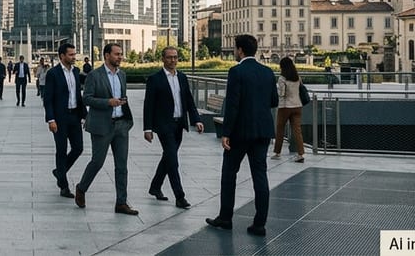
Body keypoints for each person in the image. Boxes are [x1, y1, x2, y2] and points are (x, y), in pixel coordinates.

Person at [206, 34, 279, 236]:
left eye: (235, 49)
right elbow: (274, 101)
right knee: (260, 176)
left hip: (240, 132)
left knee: (229, 174)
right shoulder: (267, 72)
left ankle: (226, 218)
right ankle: (259, 224)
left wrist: (226, 132)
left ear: (240, 50)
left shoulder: (236, 71)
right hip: (262, 131)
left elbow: (232, 104)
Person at [74, 43, 136, 215]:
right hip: (101, 125)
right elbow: (86, 99)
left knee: (122, 165)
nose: (120, 57)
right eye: (117, 54)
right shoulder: (95, 75)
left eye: (121, 54)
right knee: (97, 162)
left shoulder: (122, 75)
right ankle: (82, 187)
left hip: (121, 124)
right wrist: (107, 102)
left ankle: (121, 203)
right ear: (107, 55)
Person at [143, 46, 204, 208]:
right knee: (173, 160)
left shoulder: (182, 77)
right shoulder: (155, 79)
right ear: (163, 59)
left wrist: (196, 119)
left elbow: (189, 101)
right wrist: (147, 128)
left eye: (175, 57)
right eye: (169, 57)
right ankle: (180, 196)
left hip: (179, 124)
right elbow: (148, 105)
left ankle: (155, 187)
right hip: (164, 125)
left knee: (168, 158)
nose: (173, 60)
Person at [43, 43, 85, 199]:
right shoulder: (53, 74)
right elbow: (48, 99)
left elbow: (77, 95)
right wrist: (51, 119)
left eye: (74, 54)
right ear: (62, 56)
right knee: (61, 150)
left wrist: (83, 115)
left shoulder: (76, 72)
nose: (74, 57)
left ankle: (59, 172)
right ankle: (64, 186)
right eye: (71, 55)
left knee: (78, 148)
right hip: (60, 118)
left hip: (74, 116)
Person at [272, 56, 306, 163]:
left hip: (285, 107)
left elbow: (282, 94)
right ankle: (300, 154)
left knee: (280, 129)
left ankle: (277, 152)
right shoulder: (297, 77)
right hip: (297, 105)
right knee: (297, 130)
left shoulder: (282, 78)